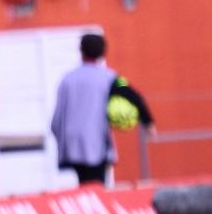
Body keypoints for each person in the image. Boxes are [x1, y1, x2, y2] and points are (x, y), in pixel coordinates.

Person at [50, 34, 155, 186]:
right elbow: (133, 95)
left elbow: (57, 118)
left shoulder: (67, 79)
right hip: (96, 143)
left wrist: (60, 137)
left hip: (72, 142)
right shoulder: (109, 78)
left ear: (81, 51)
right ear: (102, 53)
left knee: (83, 184)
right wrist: (149, 122)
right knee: (97, 185)